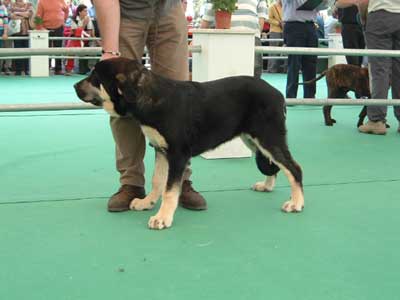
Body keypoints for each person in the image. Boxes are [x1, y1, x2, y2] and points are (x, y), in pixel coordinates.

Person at [92, 0, 207, 212]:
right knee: (121, 99)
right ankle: (131, 183)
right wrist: (110, 50)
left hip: (168, 9)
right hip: (123, 12)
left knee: (179, 100)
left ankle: (179, 177)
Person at [356, 0, 400, 135]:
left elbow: (363, 1)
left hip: (380, 15)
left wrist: (364, 19)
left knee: (380, 70)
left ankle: (376, 120)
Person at [200, 0, 268, 78]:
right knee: (224, 73)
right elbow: (207, 17)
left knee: (254, 73)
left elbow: (261, 19)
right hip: (226, 38)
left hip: (251, 38)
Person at [281, 0, 332, 99]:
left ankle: (310, 95)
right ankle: (291, 97)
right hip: (294, 25)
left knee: (311, 62)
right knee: (294, 62)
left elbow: (322, 7)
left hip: (311, 26)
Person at [36, 0, 69, 75]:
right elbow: (38, 15)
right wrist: (40, 28)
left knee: (58, 49)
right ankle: (46, 68)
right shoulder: (41, 2)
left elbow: (67, 10)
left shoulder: (61, 1)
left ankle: (58, 69)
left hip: (59, 27)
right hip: (45, 29)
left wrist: (64, 21)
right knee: (46, 49)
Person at [65, 4, 94, 75]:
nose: (87, 12)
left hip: (85, 39)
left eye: (87, 11)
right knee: (70, 49)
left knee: (88, 47)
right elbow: (75, 34)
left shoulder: (88, 19)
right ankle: (69, 70)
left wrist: (80, 30)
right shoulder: (73, 19)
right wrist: (83, 25)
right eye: (85, 11)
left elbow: (89, 32)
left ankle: (86, 69)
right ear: (79, 12)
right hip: (75, 39)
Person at [335, 0, 365, 67]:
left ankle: (357, 75)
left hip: (363, 25)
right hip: (349, 25)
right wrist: (355, 2)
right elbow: (338, 3)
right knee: (353, 62)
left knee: (360, 60)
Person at [10, 0, 33, 76]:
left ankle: (26, 69)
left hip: (26, 32)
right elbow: (11, 16)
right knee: (17, 51)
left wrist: (17, 13)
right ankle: (18, 70)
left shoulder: (28, 4)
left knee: (27, 51)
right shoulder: (12, 4)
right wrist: (23, 14)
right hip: (16, 32)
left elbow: (28, 15)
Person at [267, 0, 286, 73]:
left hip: (285, 31)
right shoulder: (272, 6)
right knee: (273, 50)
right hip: (275, 31)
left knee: (285, 50)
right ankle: (272, 69)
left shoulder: (286, 7)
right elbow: (269, 19)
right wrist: (278, 23)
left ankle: (284, 69)